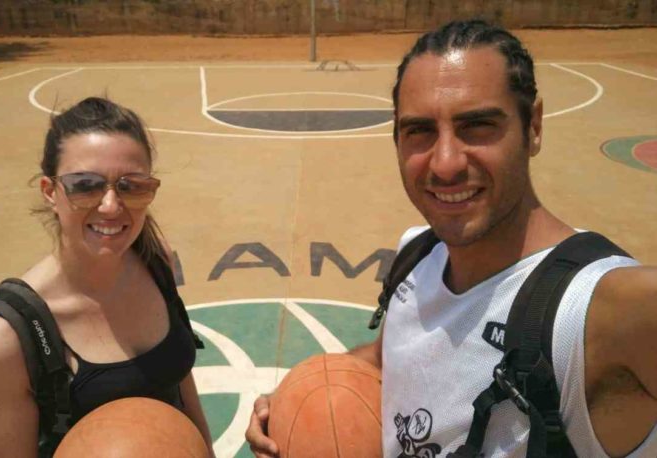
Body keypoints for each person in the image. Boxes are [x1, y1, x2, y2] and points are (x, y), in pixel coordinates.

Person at [246, 20, 656, 457]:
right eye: (420, 131)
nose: (445, 164)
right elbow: (390, 358)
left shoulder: (601, 309)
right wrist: (297, 398)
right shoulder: (418, 254)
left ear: (533, 126)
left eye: (477, 125)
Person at [0, 97, 215, 457]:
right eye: (85, 185)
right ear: (50, 192)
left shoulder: (154, 260)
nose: (111, 206)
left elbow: (179, 382)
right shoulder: (6, 339)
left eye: (132, 186)